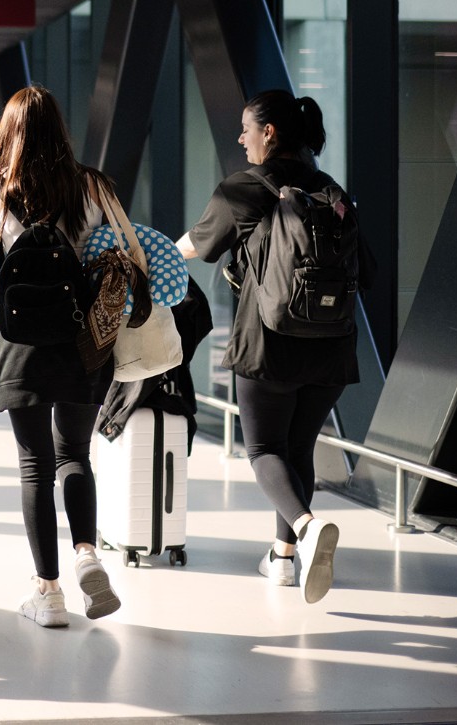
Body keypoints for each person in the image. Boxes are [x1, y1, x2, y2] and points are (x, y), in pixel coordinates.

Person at [0, 84, 121, 628]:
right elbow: (114, 261)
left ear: (8, 131)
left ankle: (49, 593)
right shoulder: (92, 186)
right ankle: (87, 553)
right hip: (83, 346)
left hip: (22, 349)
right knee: (75, 456)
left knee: (34, 466)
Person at [176, 89, 356, 604]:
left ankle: (303, 526)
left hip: (269, 344)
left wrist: (150, 251)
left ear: (269, 133)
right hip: (332, 346)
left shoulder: (246, 187)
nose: (241, 138)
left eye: (246, 129)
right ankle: (281, 559)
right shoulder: (331, 189)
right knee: (298, 449)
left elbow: (198, 244)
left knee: (262, 449)